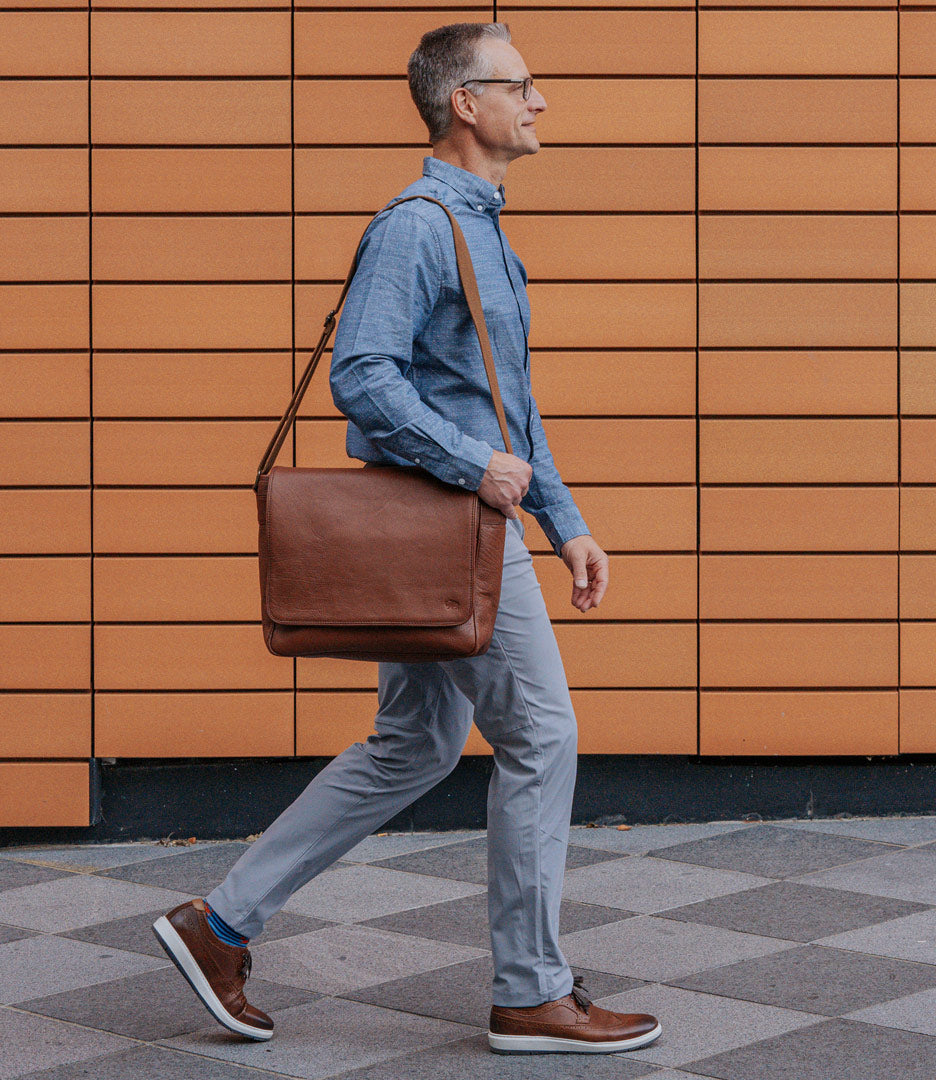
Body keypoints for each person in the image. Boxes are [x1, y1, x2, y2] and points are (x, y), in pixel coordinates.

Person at [150, 20, 661, 1055]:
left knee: (416, 741)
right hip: (453, 528)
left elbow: (505, 403)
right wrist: (478, 470)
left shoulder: (482, 227)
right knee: (542, 734)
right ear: (464, 104)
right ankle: (530, 990)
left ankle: (219, 925)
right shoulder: (422, 225)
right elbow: (364, 378)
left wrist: (567, 521)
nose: (541, 101)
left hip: (467, 523)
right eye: (522, 84)